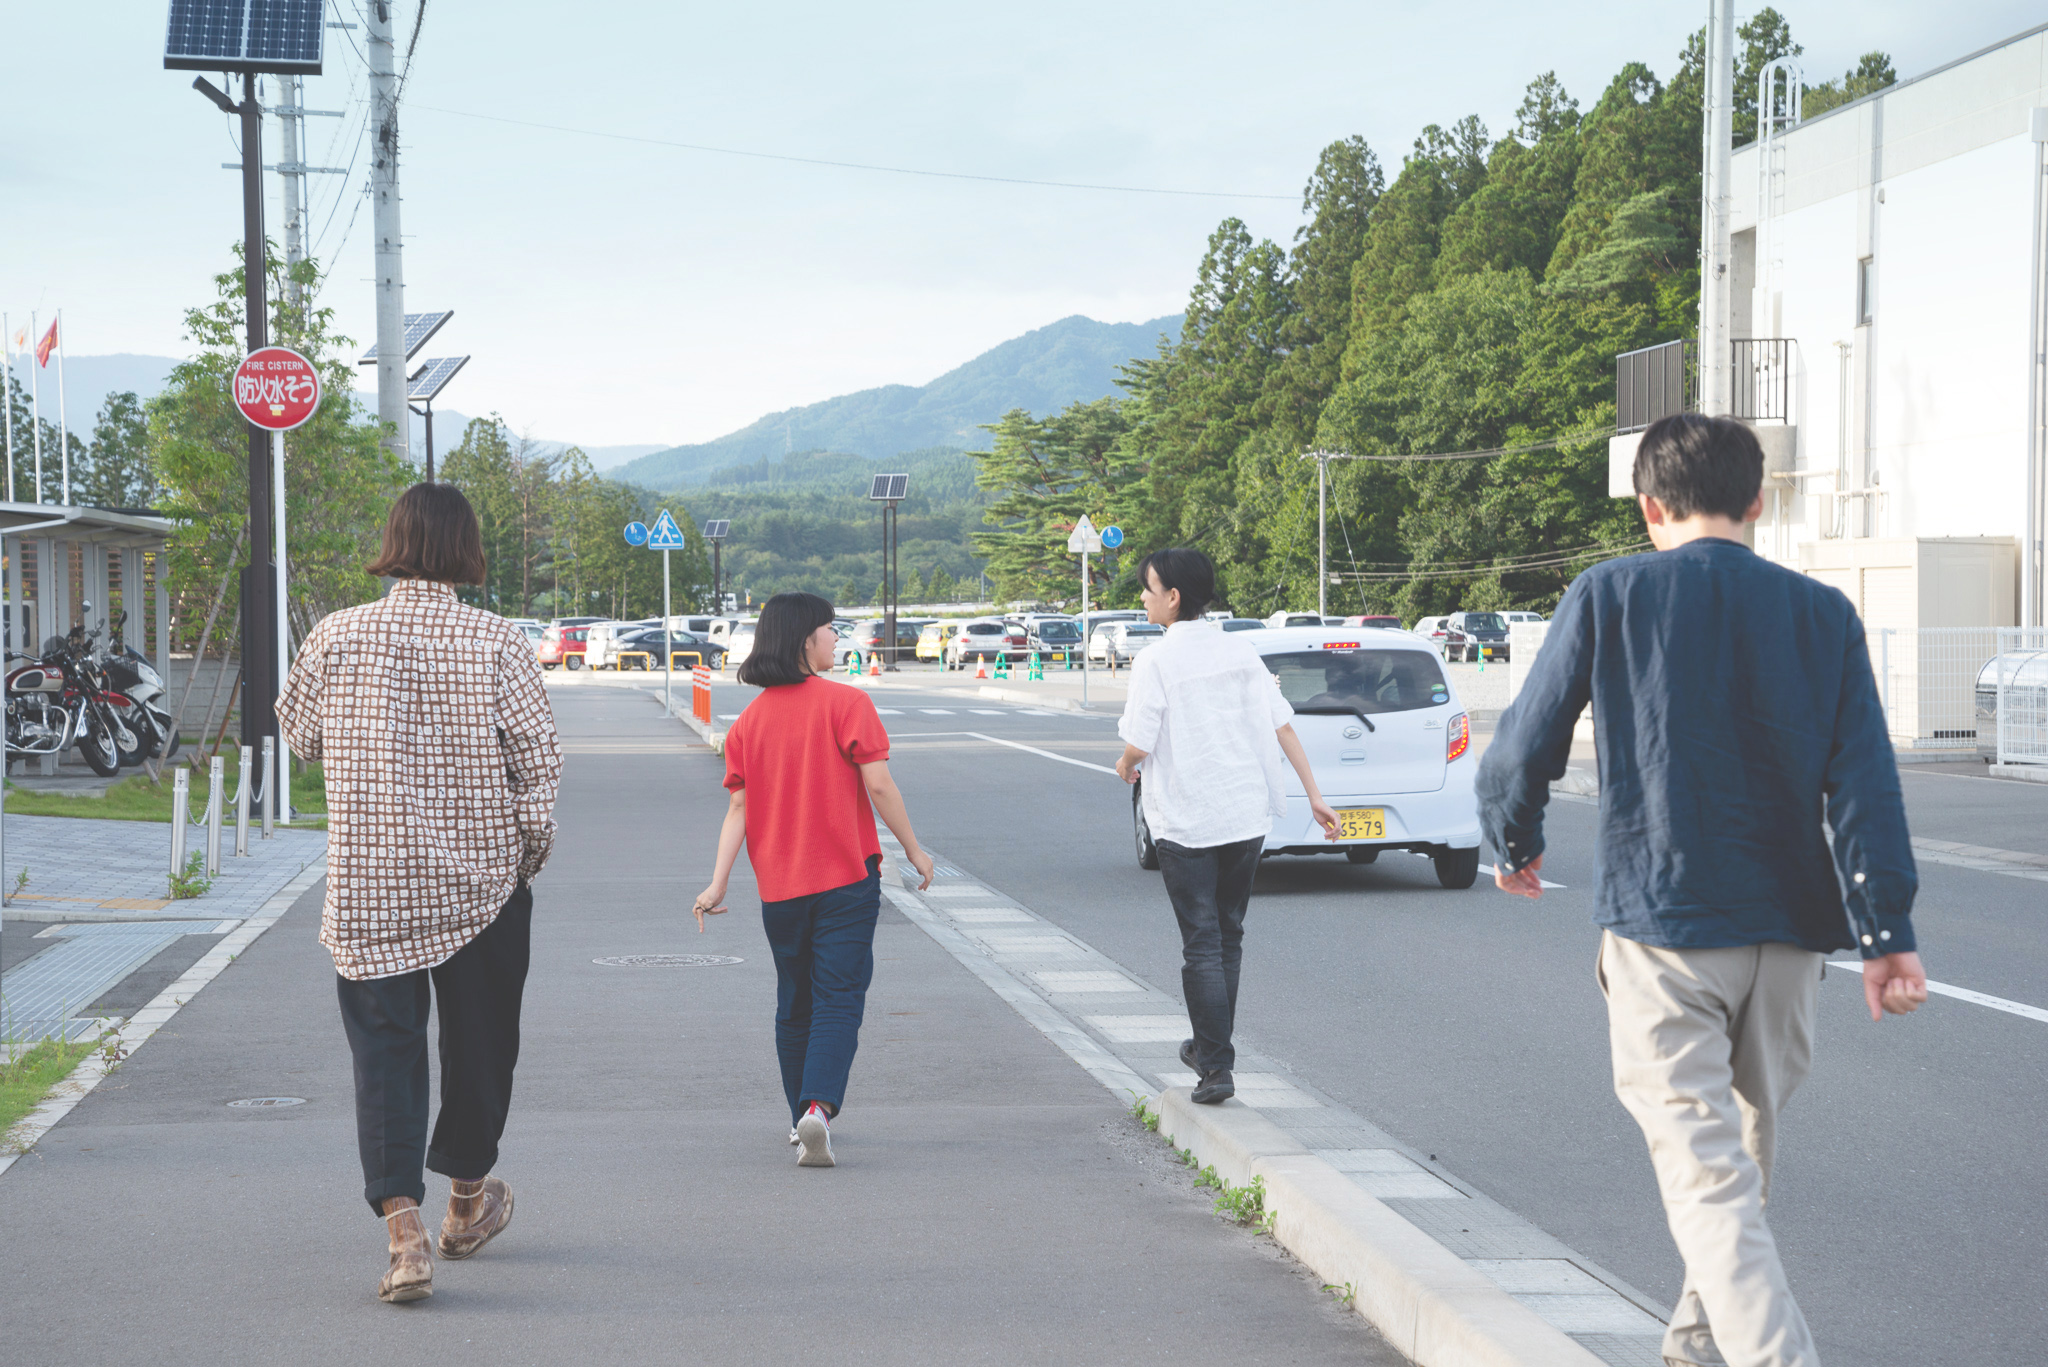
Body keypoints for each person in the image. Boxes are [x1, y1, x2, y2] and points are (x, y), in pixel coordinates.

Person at [1477, 413, 1928, 1367]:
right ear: (1757, 502)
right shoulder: (1823, 614)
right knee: (1736, 1168)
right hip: (1788, 939)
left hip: (1665, 923)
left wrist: (1514, 841)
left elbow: (1521, 745)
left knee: (1710, 1179)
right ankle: (1692, 1347)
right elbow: (1864, 786)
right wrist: (1887, 929)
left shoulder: (1609, 592)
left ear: (1648, 508)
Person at [275, 483, 561, 1305]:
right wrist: (523, 858)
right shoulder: (497, 642)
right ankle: (467, 1205)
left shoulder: (336, 634)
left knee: (384, 1057)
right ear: (467, 549)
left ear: (394, 539)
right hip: (479, 887)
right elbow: (537, 770)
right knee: (481, 1047)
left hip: (370, 887)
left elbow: (300, 737)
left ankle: (404, 1235)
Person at [692, 591, 935, 1167]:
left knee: (793, 1002)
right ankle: (819, 1109)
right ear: (806, 639)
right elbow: (878, 787)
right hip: (846, 880)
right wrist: (914, 850)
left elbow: (738, 811)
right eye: (829, 629)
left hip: (780, 889)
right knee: (839, 998)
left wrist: (717, 883)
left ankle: (800, 1120)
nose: (836, 639)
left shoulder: (748, 724)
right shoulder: (847, 703)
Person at [1113, 549, 1339, 1104]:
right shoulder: (1241, 652)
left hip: (1188, 821)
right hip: (1244, 817)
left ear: (1174, 598)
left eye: (1149, 587)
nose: (1143, 596)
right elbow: (1282, 726)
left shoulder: (1155, 662)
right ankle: (1210, 1050)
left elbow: (1139, 743)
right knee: (1227, 936)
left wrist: (1124, 766)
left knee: (1202, 943)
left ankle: (1215, 1065)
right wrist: (1315, 796)